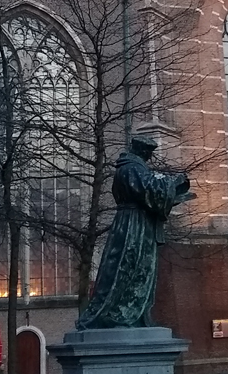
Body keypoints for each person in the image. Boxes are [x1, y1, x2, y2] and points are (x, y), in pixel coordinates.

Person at [76, 135, 191, 329]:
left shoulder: (132, 168)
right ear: (142, 151)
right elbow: (148, 191)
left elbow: (149, 191)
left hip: (137, 223)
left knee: (138, 268)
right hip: (134, 226)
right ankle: (120, 314)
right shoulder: (131, 168)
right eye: (148, 153)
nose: (150, 157)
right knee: (130, 266)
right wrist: (174, 183)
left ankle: (132, 314)